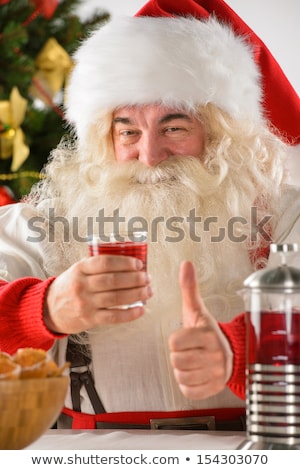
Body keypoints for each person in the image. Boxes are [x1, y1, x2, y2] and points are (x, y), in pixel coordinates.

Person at [0, 0, 300, 430]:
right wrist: (45, 308)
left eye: (173, 128)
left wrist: (242, 354)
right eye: (128, 131)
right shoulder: (45, 224)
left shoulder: (287, 217)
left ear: (220, 134)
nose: (150, 156)